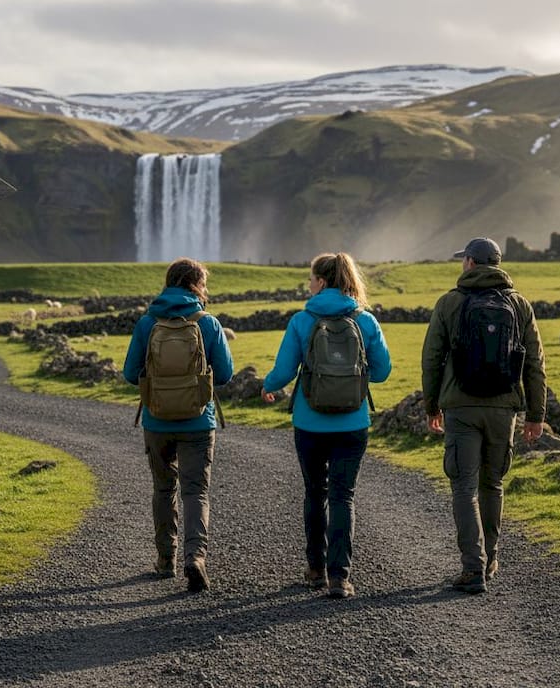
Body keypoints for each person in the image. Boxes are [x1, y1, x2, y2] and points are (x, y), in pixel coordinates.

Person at [261, 253, 392, 599]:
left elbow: (285, 370)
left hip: (309, 422)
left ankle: (315, 569)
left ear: (320, 281)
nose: (308, 284)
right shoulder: (365, 321)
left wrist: (268, 386)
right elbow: (382, 372)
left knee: (315, 493)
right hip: (353, 422)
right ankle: (340, 577)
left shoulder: (302, 321)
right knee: (343, 496)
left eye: (310, 279)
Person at [420, 237, 546, 594]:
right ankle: (490, 559)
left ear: (471, 263)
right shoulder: (520, 305)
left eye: (465, 260)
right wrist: (536, 414)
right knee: (493, 484)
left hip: (460, 409)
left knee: (463, 486)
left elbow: (431, 360)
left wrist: (432, 406)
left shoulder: (449, 303)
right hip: (503, 409)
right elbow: (535, 363)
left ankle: (472, 568)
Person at [123, 258, 234, 592]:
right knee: (195, 490)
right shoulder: (207, 322)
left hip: (157, 420)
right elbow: (226, 375)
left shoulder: (147, 322)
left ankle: (164, 560)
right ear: (198, 285)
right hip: (199, 421)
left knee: (162, 488)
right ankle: (195, 559)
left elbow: (130, 374)